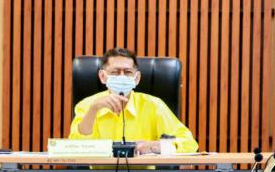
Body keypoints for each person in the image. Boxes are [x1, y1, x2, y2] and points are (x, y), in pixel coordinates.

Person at [68, 48, 198, 154]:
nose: (122, 76)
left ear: (137, 78)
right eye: (115, 72)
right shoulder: (87, 105)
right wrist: (93, 109)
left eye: (128, 72)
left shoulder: (154, 105)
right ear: (102, 76)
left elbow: (189, 143)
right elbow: (74, 147)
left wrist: (157, 146)